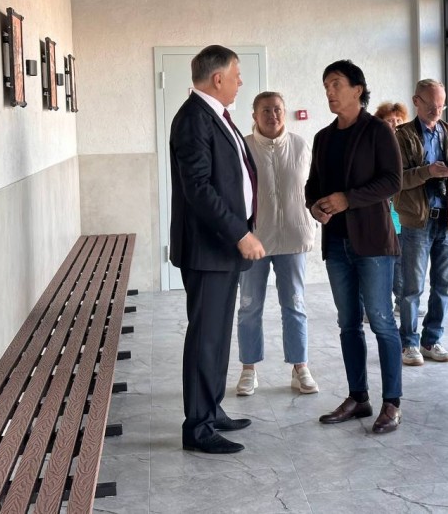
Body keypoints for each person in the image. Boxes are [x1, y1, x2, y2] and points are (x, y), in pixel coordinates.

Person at [169, 44, 265, 454]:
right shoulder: (193, 118)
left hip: (221, 249)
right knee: (205, 339)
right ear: (218, 78)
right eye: (236, 74)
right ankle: (198, 427)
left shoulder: (214, 115)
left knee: (218, 335)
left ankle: (211, 408)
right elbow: (199, 190)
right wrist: (239, 234)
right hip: (209, 249)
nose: (241, 81)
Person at [305, 60, 404, 434]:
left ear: (357, 89)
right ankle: (358, 397)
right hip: (336, 243)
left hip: (373, 242)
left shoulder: (378, 131)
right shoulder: (323, 137)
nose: (329, 91)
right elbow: (313, 185)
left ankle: (392, 402)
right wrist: (315, 206)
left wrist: (348, 198)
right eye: (326, 85)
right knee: (348, 323)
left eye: (336, 84)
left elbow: (392, 181)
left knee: (381, 320)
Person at [235, 92, 318, 396]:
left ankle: (300, 367)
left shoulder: (300, 145)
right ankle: (248, 369)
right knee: (249, 306)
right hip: (255, 240)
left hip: (293, 238)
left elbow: (313, 187)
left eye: (278, 109)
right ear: (254, 116)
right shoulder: (242, 147)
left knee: (294, 304)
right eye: (266, 110)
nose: (273, 115)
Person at [394, 80, 448, 366]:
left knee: (443, 287)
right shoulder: (401, 136)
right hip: (417, 222)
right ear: (416, 101)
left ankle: (432, 340)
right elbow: (396, 179)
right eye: (431, 105)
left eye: (441, 105)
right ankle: (409, 343)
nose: (436, 111)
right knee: (412, 288)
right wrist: (428, 171)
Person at [372, 101, 410, 314]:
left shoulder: (408, 146)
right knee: (378, 263)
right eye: (389, 121)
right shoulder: (375, 146)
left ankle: (401, 303)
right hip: (380, 214)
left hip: (401, 214)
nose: (395, 124)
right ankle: (374, 307)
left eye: (398, 120)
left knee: (401, 262)